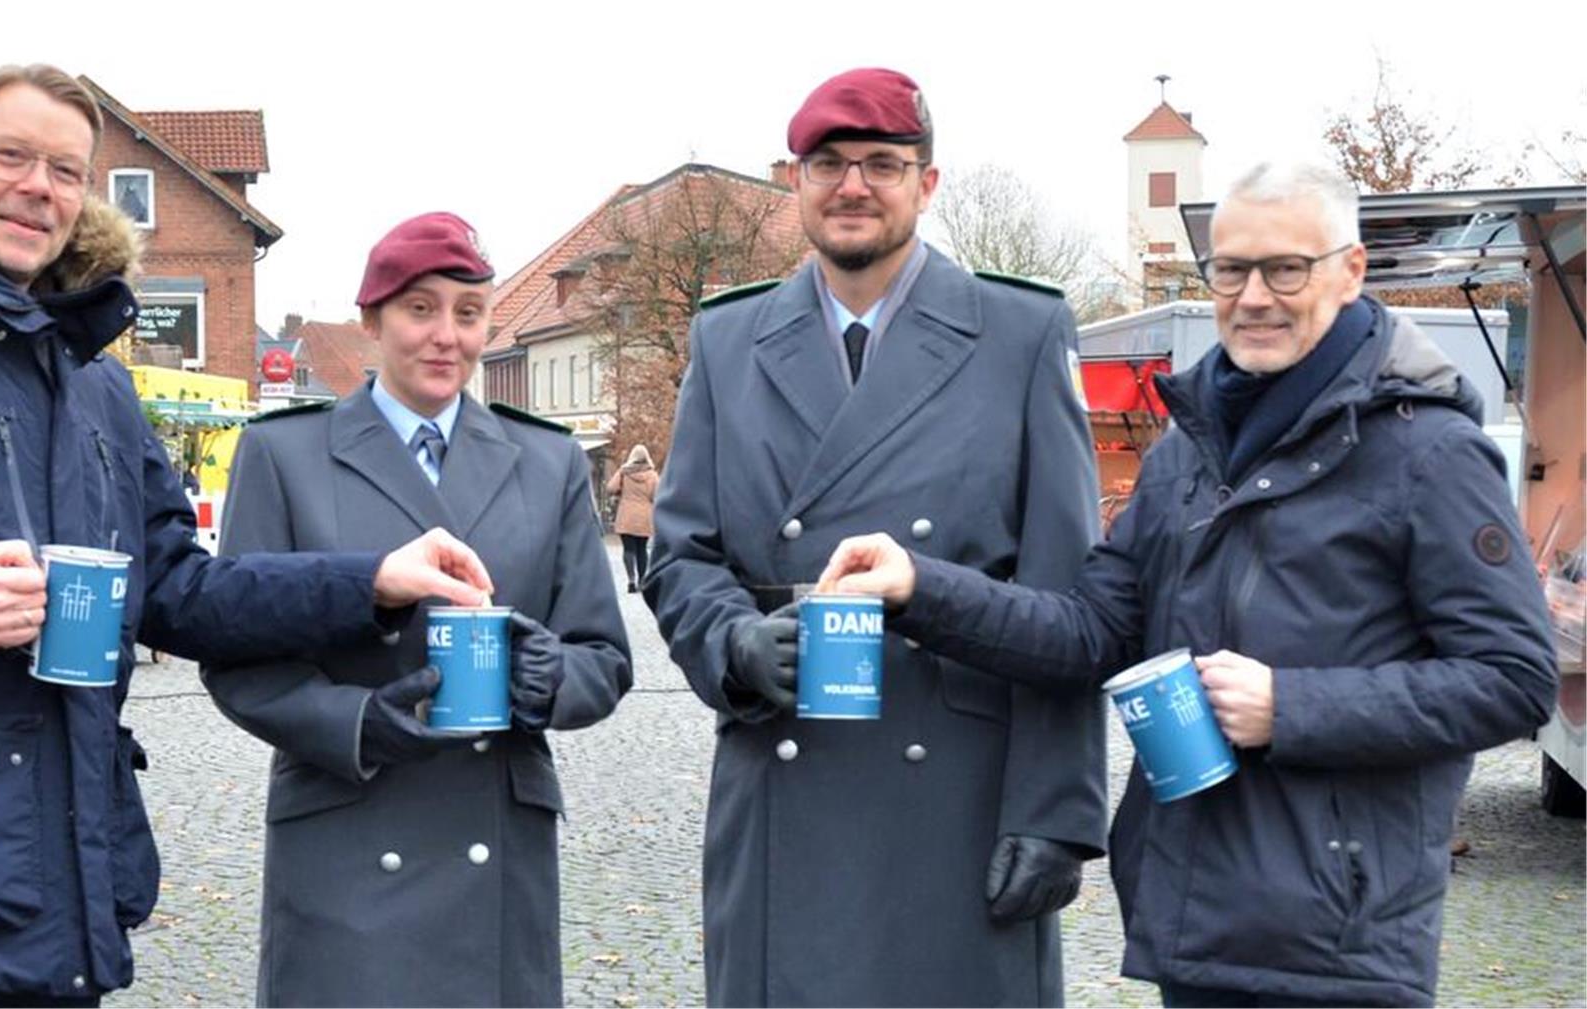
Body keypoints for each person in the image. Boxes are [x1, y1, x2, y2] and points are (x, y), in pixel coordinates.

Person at [0, 65, 492, 1008]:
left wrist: (371, 581)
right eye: (13, 156)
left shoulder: (93, 379)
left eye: (66, 170)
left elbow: (179, 591)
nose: (40, 187)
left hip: (70, 873)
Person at [818, 163, 1558, 1008]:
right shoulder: (1189, 452)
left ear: (1350, 271)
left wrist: (1292, 706)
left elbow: (1514, 679)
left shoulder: (1429, 454)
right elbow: (1089, 631)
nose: (1253, 296)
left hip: (1338, 943)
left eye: (1287, 268)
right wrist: (920, 589)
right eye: (1231, 270)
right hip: (1193, 923)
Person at [642, 67, 1106, 1007]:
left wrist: (1058, 811)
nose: (853, 185)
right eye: (829, 164)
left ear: (927, 183)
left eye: (882, 164)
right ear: (794, 181)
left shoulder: (1019, 332)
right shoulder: (730, 341)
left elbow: (1071, 598)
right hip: (783, 777)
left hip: (960, 796)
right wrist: (731, 642)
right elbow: (683, 553)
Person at [201, 211, 633, 1007]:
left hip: (495, 839)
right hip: (348, 824)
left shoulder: (548, 461)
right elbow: (240, 654)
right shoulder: (285, 454)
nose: (446, 337)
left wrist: (546, 679)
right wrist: (356, 721)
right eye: (420, 309)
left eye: (468, 314)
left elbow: (602, 657)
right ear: (371, 319)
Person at [605, 443, 660, 592]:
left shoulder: (624, 472)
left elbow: (610, 488)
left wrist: (621, 491)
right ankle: (642, 581)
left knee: (628, 549)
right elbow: (657, 495)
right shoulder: (652, 475)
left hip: (626, 515)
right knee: (642, 549)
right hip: (644, 516)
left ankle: (631, 581)